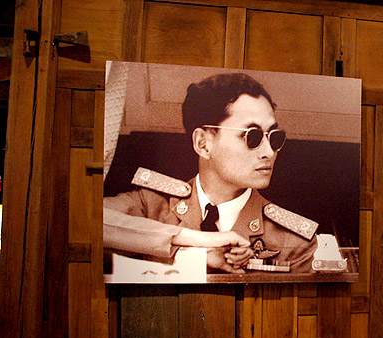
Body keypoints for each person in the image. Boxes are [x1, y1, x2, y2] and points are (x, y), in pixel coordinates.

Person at [104, 72, 319, 274]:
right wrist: (193, 242)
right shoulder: (150, 206)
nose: (269, 152)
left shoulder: (294, 241)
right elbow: (92, 222)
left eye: (274, 137)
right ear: (203, 144)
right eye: (252, 136)